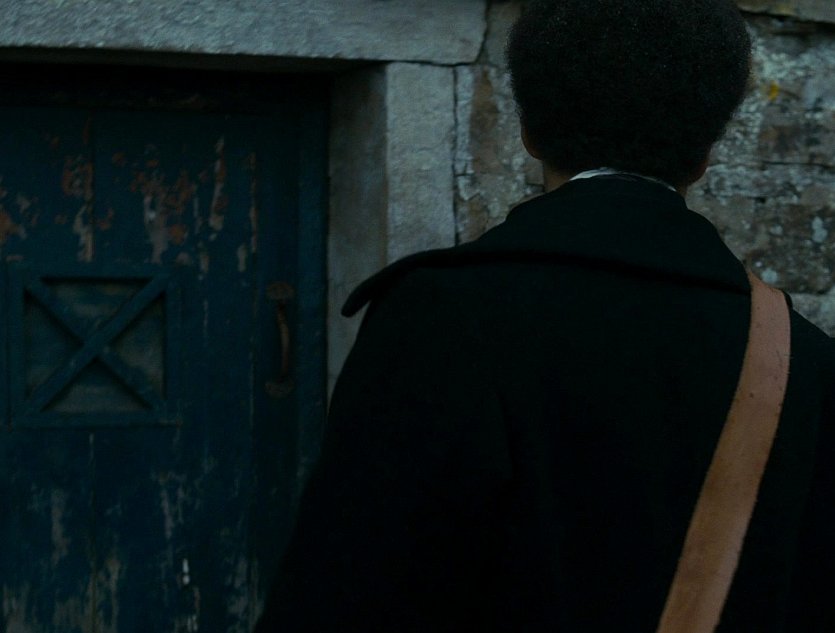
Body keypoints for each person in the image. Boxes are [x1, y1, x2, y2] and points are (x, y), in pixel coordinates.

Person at [256, 1, 835, 631]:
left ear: (529, 132)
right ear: (705, 154)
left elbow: (341, 591)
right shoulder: (803, 361)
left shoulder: (439, 317)